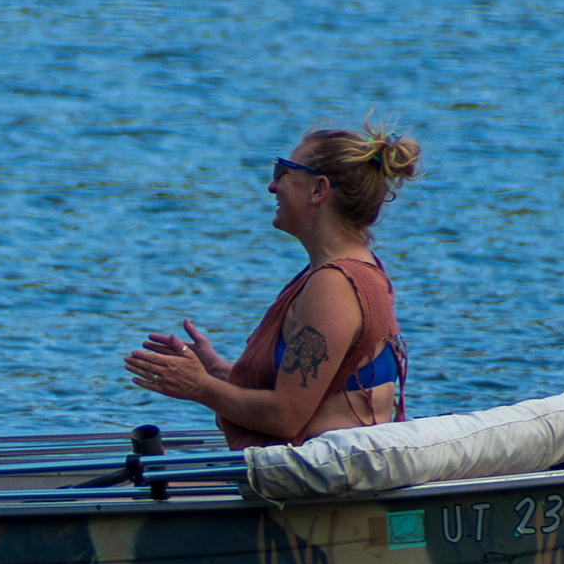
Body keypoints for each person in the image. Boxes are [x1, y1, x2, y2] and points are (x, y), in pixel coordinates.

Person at [123, 125, 413, 445]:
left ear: (318, 189)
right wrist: (218, 371)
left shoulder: (334, 286)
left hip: (313, 488)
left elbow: (286, 417)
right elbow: (312, 388)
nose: (272, 186)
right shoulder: (359, 268)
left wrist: (200, 388)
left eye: (283, 172)